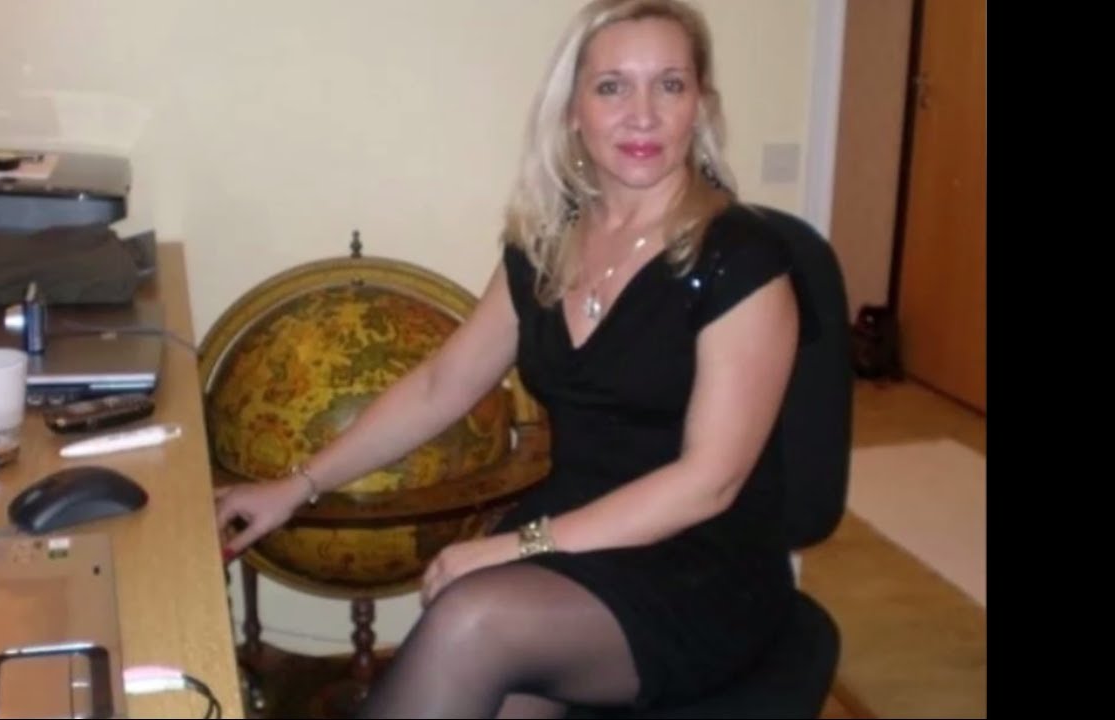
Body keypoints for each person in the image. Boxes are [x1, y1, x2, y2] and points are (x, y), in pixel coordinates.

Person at [214, 0, 802, 716]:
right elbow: (441, 385)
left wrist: (520, 546)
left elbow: (707, 483)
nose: (642, 115)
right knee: (472, 662)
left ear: (700, 107)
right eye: (612, 87)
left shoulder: (741, 259)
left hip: (700, 566)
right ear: (572, 111)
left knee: (473, 620)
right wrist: (297, 485)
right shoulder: (547, 242)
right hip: (574, 534)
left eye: (669, 85)